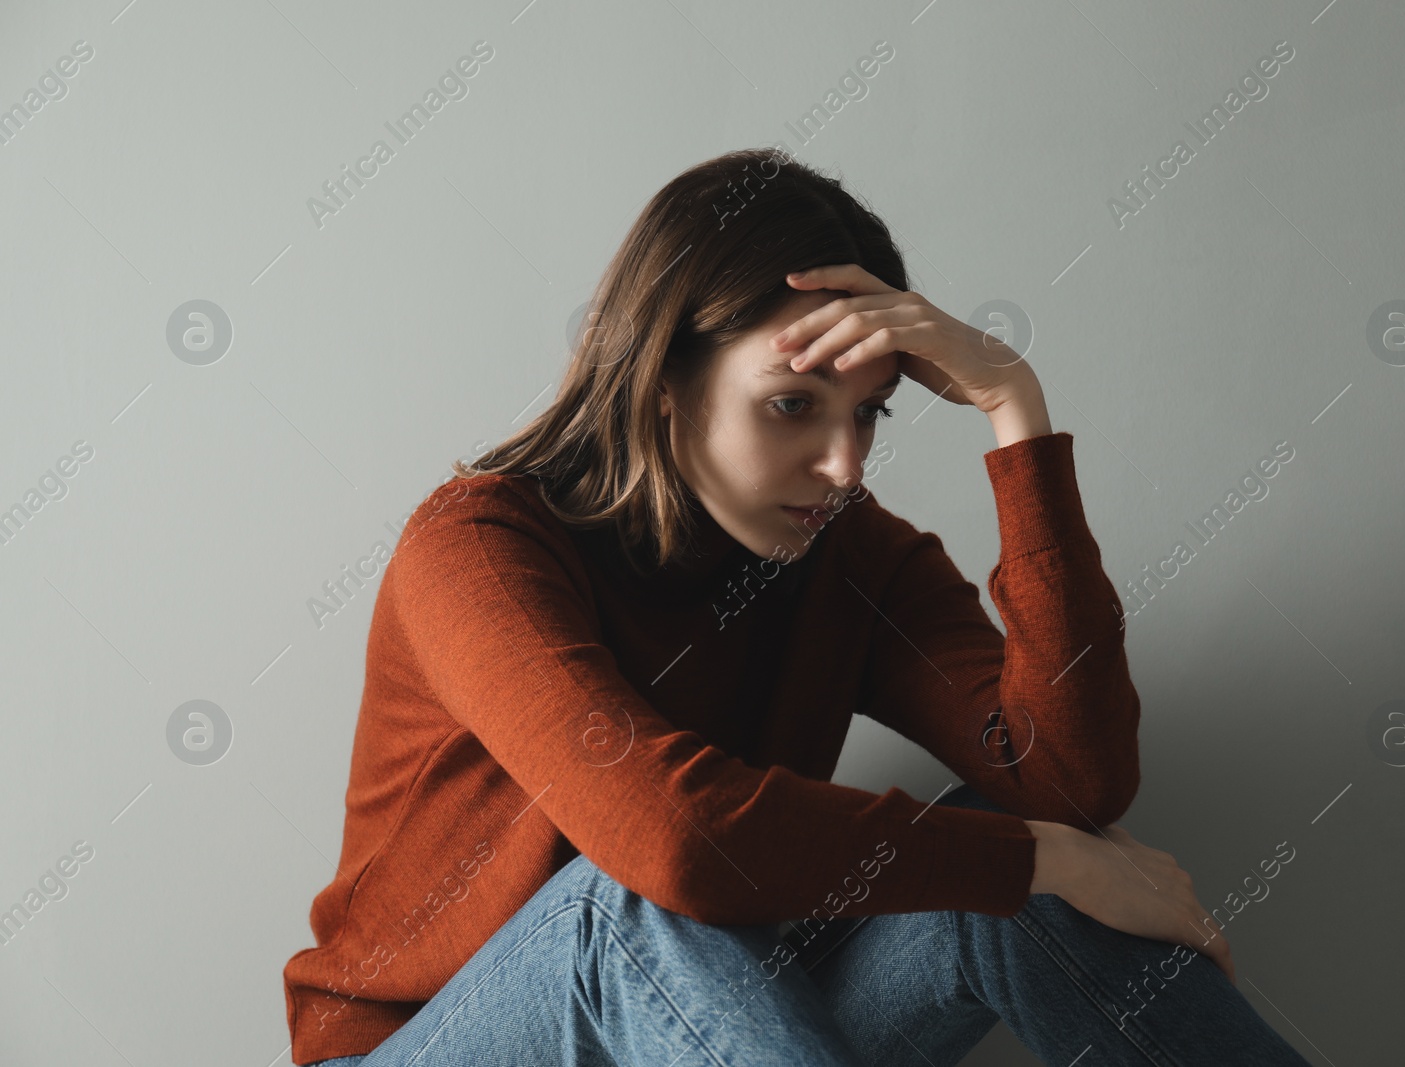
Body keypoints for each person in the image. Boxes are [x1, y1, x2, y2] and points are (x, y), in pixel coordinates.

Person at [282, 148, 1312, 1066]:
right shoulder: (479, 546)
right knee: (631, 902)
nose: (842, 462)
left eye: (867, 413)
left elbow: (1071, 781)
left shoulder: (846, 555)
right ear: (664, 381)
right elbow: (673, 838)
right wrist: (1041, 855)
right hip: (435, 1041)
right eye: (792, 405)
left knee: (996, 861)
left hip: (704, 1026)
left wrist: (1014, 411)